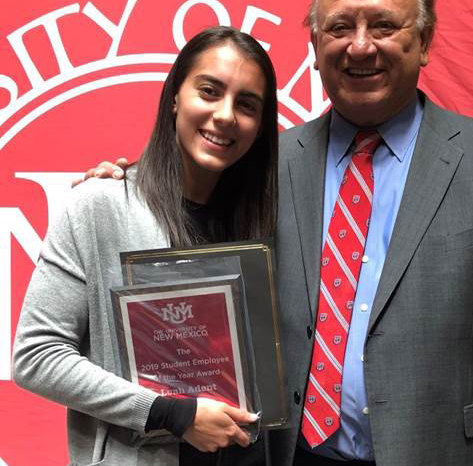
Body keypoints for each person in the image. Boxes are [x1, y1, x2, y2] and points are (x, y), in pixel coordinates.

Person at [77, 0, 473, 466]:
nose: (361, 45)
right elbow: (190, 239)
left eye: (385, 25)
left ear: (425, 41)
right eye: (340, 27)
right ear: (314, 45)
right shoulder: (264, 165)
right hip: (287, 455)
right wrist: (129, 183)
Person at [12, 26, 279, 466]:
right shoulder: (100, 206)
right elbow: (36, 356)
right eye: (209, 91)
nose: (226, 115)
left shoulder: (273, 221)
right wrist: (170, 413)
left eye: (247, 105)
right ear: (175, 95)